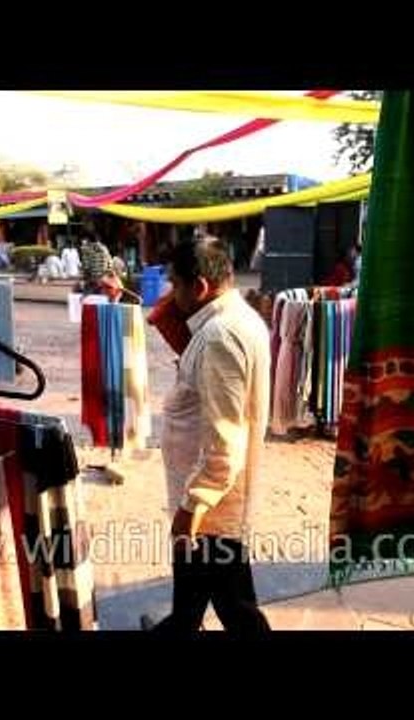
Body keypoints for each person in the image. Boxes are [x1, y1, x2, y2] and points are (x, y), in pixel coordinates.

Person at [143, 235, 272, 634]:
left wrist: (192, 507)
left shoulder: (220, 336)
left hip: (210, 509)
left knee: (237, 610)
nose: (170, 293)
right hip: (212, 499)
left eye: (175, 284)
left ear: (199, 286)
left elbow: (224, 440)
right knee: (193, 605)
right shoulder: (236, 318)